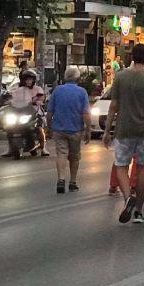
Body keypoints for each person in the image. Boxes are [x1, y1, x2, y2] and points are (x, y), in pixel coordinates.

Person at [103, 43, 144, 225]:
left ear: (131, 56)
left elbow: (113, 106)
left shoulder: (121, 77)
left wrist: (107, 130)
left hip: (124, 128)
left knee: (121, 165)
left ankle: (127, 197)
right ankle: (138, 210)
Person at [47, 66, 92, 194]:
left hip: (59, 128)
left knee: (61, 153)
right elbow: (86, 114)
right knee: (74, 157)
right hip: (75, 129)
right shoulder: (82, 92)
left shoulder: (57, 91)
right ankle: (72, 182)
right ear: (78, 78)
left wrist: (49, 127)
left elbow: (49, 112)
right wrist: (88, 130)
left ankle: (61, 179)